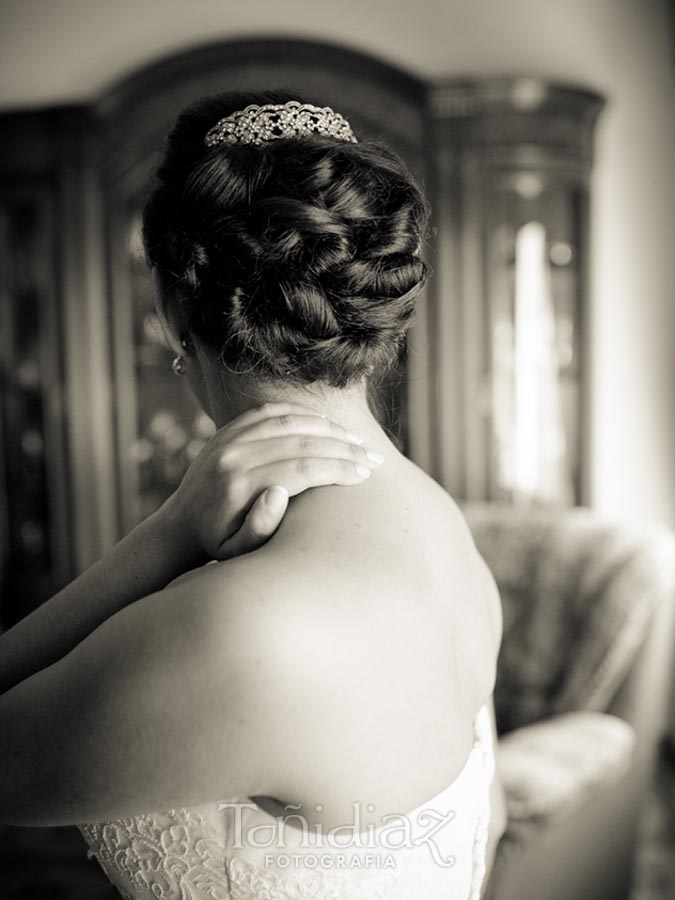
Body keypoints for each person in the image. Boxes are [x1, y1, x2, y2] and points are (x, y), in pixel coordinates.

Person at [0, 90, 507, 899]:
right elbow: (489, 823)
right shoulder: (440, 528)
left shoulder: (245, 627)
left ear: (170, 308)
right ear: (375, 307)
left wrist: (160, 540)